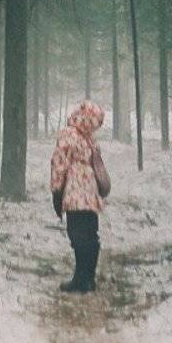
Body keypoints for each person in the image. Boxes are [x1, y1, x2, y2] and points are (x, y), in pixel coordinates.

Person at [49, 99, 109, 295]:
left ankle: (80, 280)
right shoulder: (90, 140)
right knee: (91, 235)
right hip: (91, 193)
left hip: (75, 193)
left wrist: (56, 191)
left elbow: (59, 164)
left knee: (77, 235)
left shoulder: (68, 135)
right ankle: (88, 278)